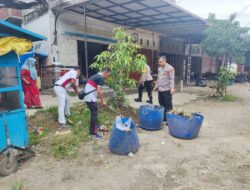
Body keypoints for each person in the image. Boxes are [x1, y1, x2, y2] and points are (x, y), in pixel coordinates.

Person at [84, 68, 110, 139]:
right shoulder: (100, 78)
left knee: (94, 112)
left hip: (88, 97)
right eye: (108, 75)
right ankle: (92, 133)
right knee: (94, 113)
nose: (107, 77)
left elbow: (95, 89)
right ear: (105, 72)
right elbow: (99, 91)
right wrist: (103, 100)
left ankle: (96, 126)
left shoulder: (96, 76)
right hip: (90, 98)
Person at [154, 56, 175, 122]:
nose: (159, 63)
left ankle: (170, 119)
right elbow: (158, 78)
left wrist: (172, 88)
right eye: (159, 62)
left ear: (165, 61)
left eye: (161, 62)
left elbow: (172, 79)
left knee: (168, 105)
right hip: (160, 90)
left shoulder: (170, 68)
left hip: (167, 90)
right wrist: (155, 86)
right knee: (161, 104)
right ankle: (164, 118)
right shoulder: (159, 69)